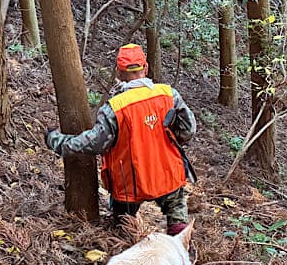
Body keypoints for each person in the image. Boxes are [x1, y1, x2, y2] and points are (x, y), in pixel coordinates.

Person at [45, 44, 196, 234]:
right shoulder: (168, 95)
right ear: (146, 68)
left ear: (118, 72)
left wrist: (57, 141)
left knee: (124, 234)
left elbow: (94, 143)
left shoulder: (114, 108)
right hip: (169, 176)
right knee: (180, 232)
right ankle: (184, 257)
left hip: (129, 184)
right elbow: (188, 131)